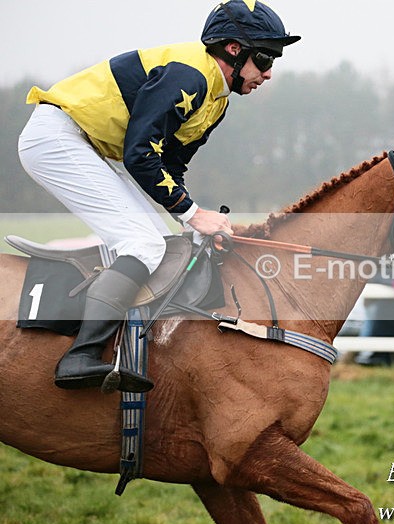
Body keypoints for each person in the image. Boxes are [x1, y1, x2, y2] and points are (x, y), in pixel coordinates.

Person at [17, 1, 300, 392]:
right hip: (58, 138)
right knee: (144, 245)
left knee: (163, 246)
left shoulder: (216, 100)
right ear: (233, 49)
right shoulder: (190, 76)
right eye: (265, 58)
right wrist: (193, 214)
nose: (268, 73)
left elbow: (169, 167)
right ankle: (80, 355)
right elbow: (139, 155)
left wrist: (194, 223)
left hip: (92, 147)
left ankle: (126, 346)